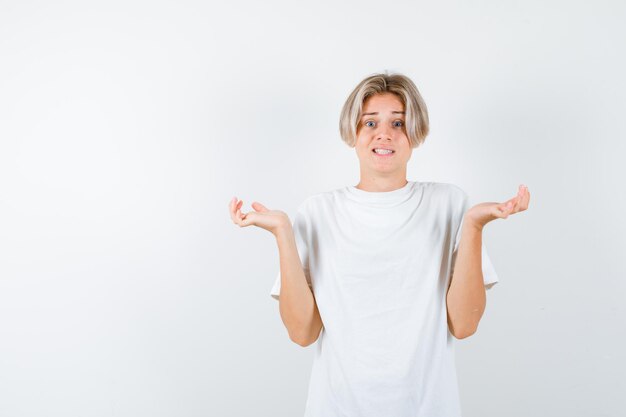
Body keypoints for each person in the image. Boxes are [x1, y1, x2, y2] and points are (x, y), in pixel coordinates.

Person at [228, 72, 530, 417]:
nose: (383, 133)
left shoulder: (448, 205)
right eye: (370, 122)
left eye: (398, 123)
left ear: (415, 133)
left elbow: (464, 324)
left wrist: (475, 225)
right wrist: (282, 231)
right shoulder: (318, 212)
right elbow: (302, 332)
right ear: (352, 133)